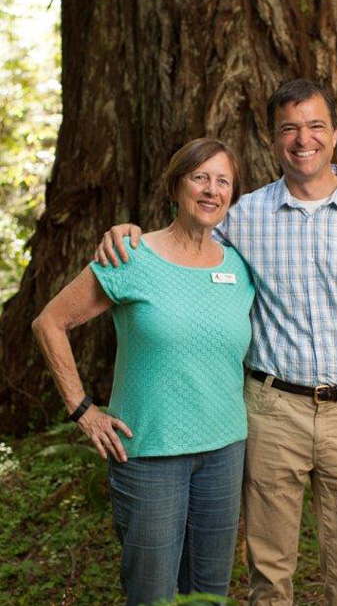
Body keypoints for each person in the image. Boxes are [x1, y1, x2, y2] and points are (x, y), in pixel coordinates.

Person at [95, 79, 337, 606]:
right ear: (273, 141)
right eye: (288, 128)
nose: (302, 139)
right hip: (271, 411)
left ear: (335, 134)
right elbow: (183, 245)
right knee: (268, 577)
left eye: (315, 126)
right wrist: (128, 232)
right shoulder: (241, 219)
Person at [32, 138, 255, 606]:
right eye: (200, 177)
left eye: (223, 181)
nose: (211, 190)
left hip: (225, 453)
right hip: (150, 455)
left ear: (232, 195)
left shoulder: (240, 266)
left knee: (210, 594)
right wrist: (83, 410)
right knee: (152, 595)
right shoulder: (131, 256)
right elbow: (49, 322)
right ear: (175, 186)